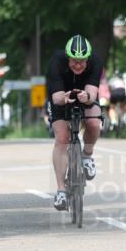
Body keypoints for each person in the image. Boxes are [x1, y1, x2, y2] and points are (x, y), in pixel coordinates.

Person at [47, 35, 103, 211]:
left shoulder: (96, 61)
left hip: (85, 95)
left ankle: (86, 156)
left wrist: (87, 97)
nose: (78, 65)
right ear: (67, 57)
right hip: (61, 97)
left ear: (88, 58)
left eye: (82, 61)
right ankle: (61, 190)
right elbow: (56, 98)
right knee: (62, 138)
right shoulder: (56, 61)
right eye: (74, 61)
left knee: (94, 123)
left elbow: (92, 94)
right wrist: (65, 98)